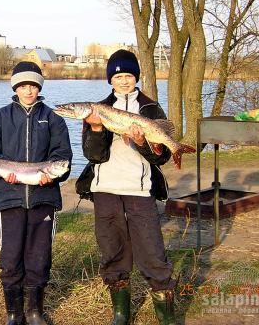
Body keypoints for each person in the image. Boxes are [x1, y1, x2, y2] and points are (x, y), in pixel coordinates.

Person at [76, 49, 176, 325]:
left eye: (128, 75)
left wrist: (142, 141)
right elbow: (93, 156)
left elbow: (162, 157)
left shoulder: (150, 109)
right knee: (112, 249)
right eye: (118, 76)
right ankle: (121, 312)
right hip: (106, 187)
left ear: (136, 77)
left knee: (151, 249)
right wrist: (96, 130)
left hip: (139, 189)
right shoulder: (98, 109)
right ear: (110, 80)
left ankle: (165, 314)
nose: (123, 80)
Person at [0, 61, 72, 325]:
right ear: (15, 87)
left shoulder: (54, 118)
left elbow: (63, 157)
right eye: (23, 85)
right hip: (9, 198)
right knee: (10, 259)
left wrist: (53, 173)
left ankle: (34, 312)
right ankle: (13, 313)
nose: (28, 90)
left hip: (44, 200)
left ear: (39, 87)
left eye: (32, 85)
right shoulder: (1, 116)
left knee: (39, 257)